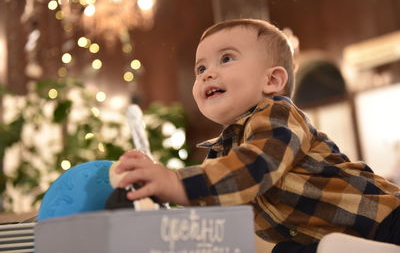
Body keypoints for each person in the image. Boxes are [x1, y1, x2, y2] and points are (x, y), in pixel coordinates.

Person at [113, 19, 400, 252]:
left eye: (226, 59)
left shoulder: (277, 114)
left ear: (272, 80)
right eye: (200, 68)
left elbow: (255, 167)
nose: (207, 74)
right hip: (325, 239)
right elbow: (217, 210)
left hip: (385, 222)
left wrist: (175, 181)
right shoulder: (223, 151)